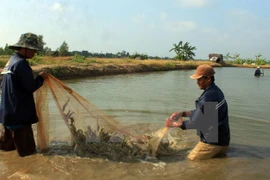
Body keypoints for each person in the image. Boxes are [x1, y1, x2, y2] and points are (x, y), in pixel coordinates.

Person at [165, 64, 230, 160]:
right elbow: (203, 113)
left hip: (211, 142)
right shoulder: (216, 92)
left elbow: (197, 122)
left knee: (191, 160)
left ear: (208, 79)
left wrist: (174, 124)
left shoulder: (208, 97)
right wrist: (182, 114)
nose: (197, 82)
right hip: (223, 141)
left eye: (199, 79)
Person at [0, 32, 48, 157]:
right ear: (24, 48)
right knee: (29, 154)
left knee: (7, 151)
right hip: (19, 117)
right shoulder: (21, 64)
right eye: (32, 49)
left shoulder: (10, 61)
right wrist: (41, 78)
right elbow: (30, 86)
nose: (34, 53)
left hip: (7, 115)